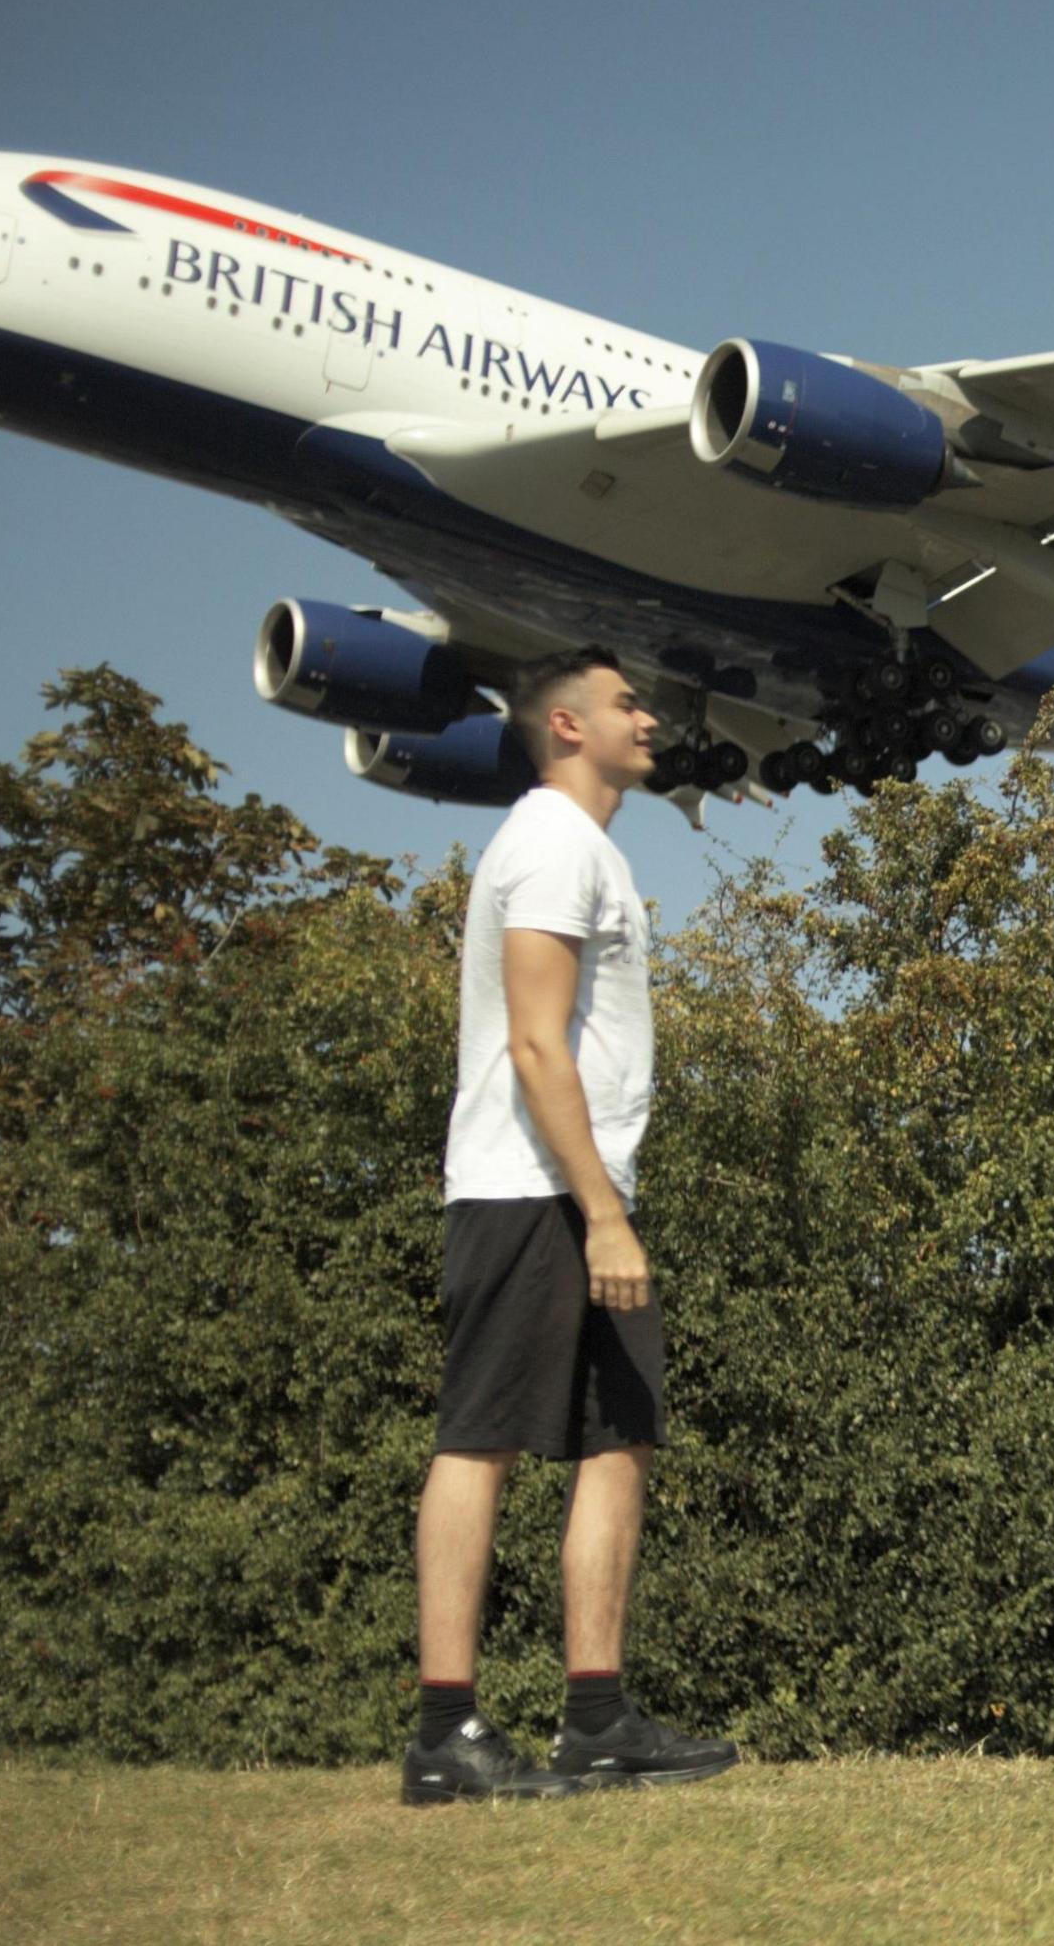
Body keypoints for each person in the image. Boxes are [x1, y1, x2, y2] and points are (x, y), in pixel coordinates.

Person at [401, 648, 739, 1804]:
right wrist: (600, 1212)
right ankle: (446, 1728)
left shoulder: (586, 846)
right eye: (627, 703)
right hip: (526, 1187)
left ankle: (595, 1715)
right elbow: (536, 1043)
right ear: (566, 723)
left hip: (584, 1185)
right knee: (481, 1436)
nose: (651, 715)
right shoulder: (548, 840)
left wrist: (607, 1200)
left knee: (619, 1434)